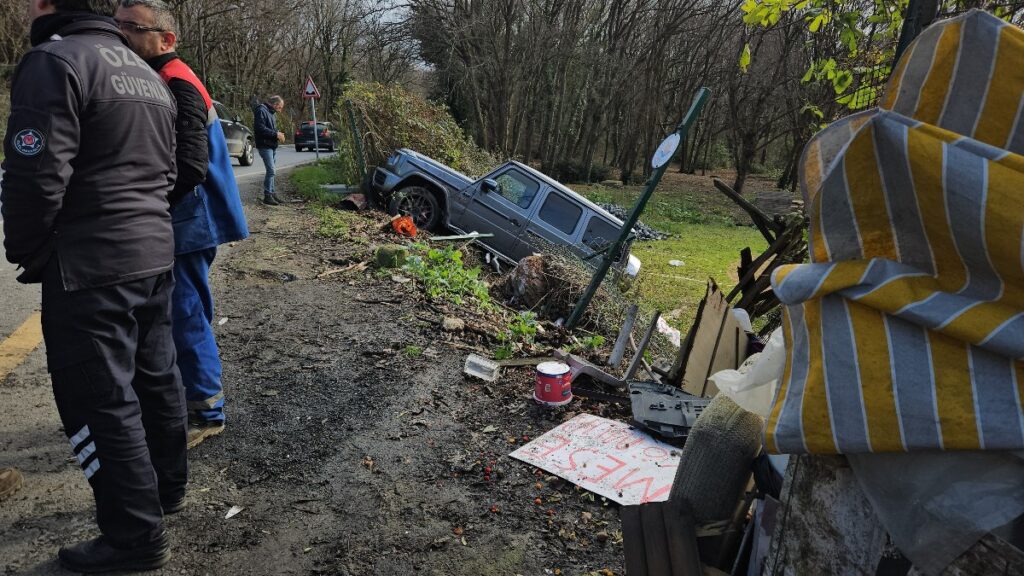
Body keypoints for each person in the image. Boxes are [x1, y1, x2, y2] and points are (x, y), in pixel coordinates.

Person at [1, 0, 184, 571]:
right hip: (153, 253)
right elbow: (170, 170)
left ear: (45, 4)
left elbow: (35, 171)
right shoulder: (145, 73)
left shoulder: (54, 61)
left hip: (90, 264)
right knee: (156, 378)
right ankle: (165, 492)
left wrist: (28, 248)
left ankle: (134, 538)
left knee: (100, 402)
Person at [115, 0, 249, 449]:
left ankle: (208, 412)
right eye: (118, 26)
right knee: (188, 312)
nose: (122, 35)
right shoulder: (165, 78)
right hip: (189, 217)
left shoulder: (176, 83)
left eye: (132, 28)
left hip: (190, 218)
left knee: (186, 314)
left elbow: (189, 166)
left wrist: (146, 202)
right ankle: (190, 399)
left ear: (166, 39)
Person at [254, 95, 286, 205]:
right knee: (271, 171)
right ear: (275, 104)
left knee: (273, 172)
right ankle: (267, 195)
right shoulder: (261, 110)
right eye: (280, 107)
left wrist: (278, 134)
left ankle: (272, 193)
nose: (280, 110)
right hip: (264, 145)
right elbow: (260, 128)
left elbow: (270, 128)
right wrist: (275, 134)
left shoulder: (271, 113)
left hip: (271, 145)